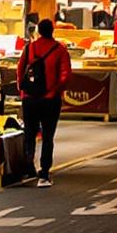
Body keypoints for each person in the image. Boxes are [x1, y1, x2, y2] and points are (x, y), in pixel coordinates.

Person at [15, 19, 71, 186]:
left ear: (38, 31)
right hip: (50, 100)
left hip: (30, 99)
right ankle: (44, 173)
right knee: (47, 136)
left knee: (29, 133)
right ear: (52, 31)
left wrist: (23, 91)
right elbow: (65, 75)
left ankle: (28, 167)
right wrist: (55, 90)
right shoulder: (60, 49)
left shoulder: (30, 47)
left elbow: (20, 69)